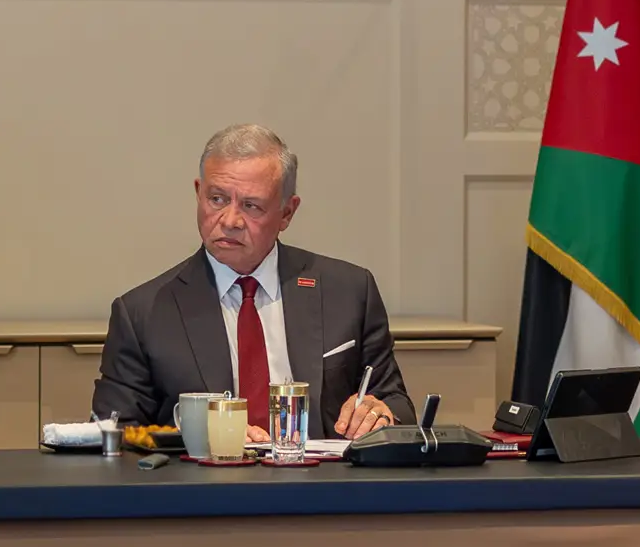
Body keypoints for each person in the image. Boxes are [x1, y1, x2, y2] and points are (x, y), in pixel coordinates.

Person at [93, 124, 414, 440]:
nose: (230, 221)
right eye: (217, 199)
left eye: (251, 206)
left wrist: (380, 413)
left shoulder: (348, 292)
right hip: (203, 475)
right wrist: (198, 436)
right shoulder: (143, 314)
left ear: (287, 213)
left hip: (323, 474)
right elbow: (115, 431)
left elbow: (395, 403)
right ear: (198, 193)